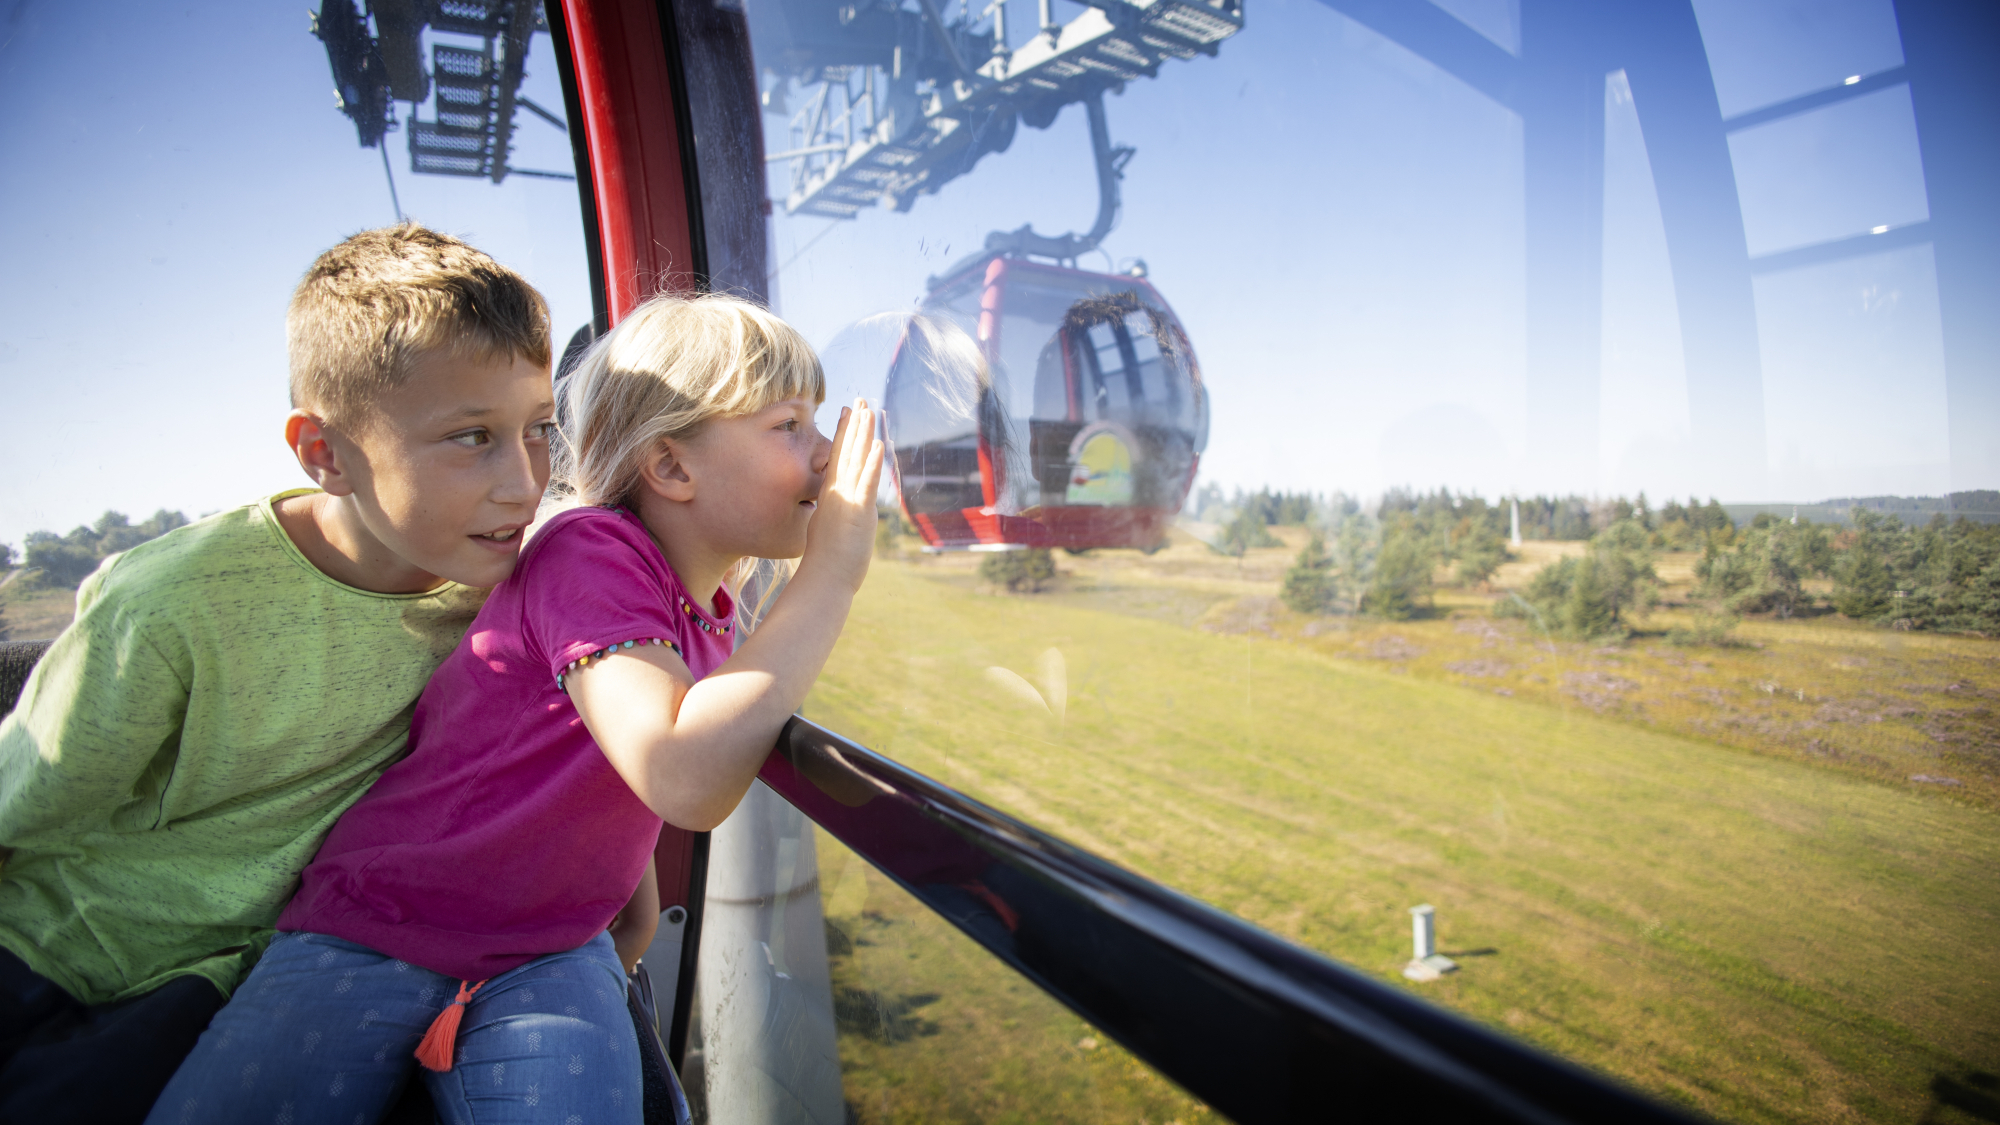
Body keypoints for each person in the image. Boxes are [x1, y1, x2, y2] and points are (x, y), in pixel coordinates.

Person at [149, 293, 884, 1125]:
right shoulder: (590, 551)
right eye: (790, 424)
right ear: (672, 467)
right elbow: (680, 768)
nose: (828, 454)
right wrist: (833, 570)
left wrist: (629, 908)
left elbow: (600, 759)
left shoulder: (708, 610)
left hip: (548, 950)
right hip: (378, 924)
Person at [0, 223, 571, 1122]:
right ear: (324, 453)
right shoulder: (170, 603)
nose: (525, 482)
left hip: (255, 980)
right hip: (60, 957)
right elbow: (25, 798)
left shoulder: (516, 597)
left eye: (540, 429)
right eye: (472, 437)